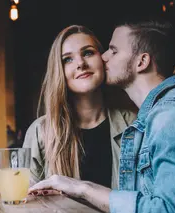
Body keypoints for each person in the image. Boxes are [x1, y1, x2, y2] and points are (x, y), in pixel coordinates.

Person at [28, 18, 175, 213]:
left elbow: (169, 209)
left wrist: (82, 188)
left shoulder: (166, 118)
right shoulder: (157, 118)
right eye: (67, 59)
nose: (104, 57)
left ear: (142, 61)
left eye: (112, 51)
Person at [23, 25, 136, 190]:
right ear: (59, 71)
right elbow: (28, 201)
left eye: (88, 53)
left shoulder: (134, 125)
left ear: (104, 59)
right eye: (67, 59)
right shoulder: (40, 132)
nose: (81, 64)